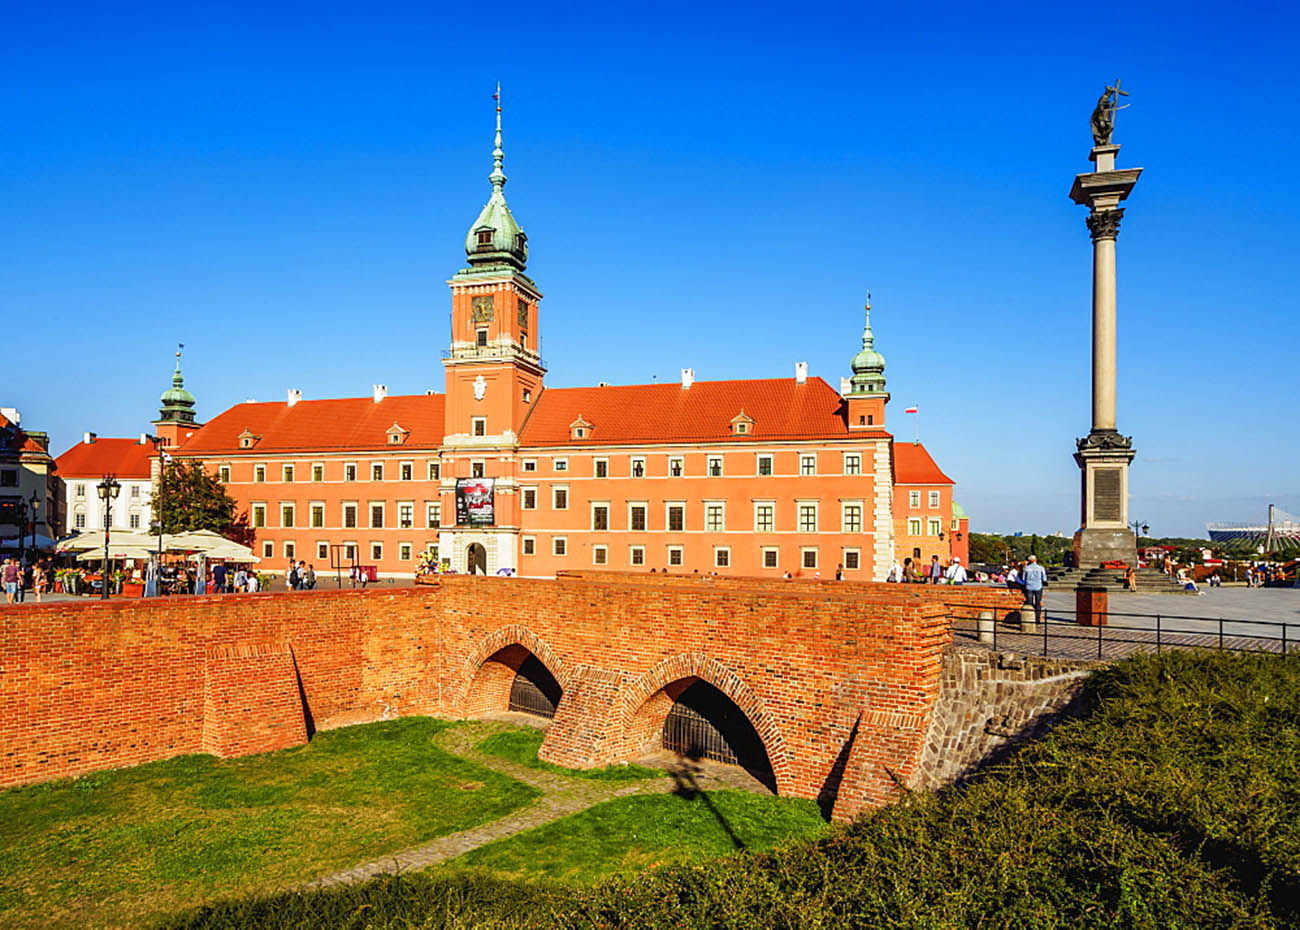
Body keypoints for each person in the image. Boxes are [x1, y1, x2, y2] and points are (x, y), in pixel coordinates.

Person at [1021, 554, 1048, 626]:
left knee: (1029, 603)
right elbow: (1044, 579)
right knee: (1038, 603)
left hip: (1029, 586)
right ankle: (1037, 619)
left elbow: (1023, 579)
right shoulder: (1041, 568)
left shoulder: (1026, 568)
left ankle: (1029, 618)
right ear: (1036, 560)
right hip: (1038, 586)